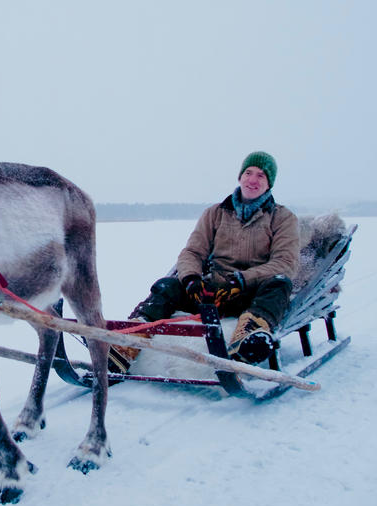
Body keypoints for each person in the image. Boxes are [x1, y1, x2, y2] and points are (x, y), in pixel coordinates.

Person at [120, 151, 299, 367]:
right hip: (213, 293)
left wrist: (242, 280)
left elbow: (285, 263)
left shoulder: (283, 218)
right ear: (240, 176)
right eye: (248, 172)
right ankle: (129, 340)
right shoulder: (214, 213)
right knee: (166, 286)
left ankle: (249, 336)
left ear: (269, 183)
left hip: (253, 293)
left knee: (280, 284)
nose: (253, 180)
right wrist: (192, 280)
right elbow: (192, 253)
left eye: (261, 175)